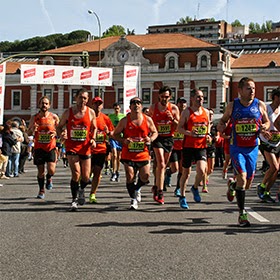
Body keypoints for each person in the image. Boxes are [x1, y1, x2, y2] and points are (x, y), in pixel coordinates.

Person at [217, 77, 270, 227]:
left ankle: (233, 186)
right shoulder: (233, 105)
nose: (252, 91)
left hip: (252, 147)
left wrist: (264, 127)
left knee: (247, 183)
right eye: (248, 88)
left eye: (253, 88)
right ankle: (242, 214)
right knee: (242, 176)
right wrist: (221, 126)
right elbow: (223, 120)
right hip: (237, 147)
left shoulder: (259, 105)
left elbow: (266, 121)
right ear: (240, 90)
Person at [113, 97, 158, 209]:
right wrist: (124, 140)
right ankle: (133, 199)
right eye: (133, 103)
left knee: (145, 177)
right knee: (130, 176)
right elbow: (115, 134)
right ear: (130, 107)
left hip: (143, 154)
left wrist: (150, 139)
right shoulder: (124, 121)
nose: (136, 105)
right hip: (128, 154)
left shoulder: (147, 120)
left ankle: (137, 188)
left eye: (138, 103)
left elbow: (155, 132)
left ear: (141, 106)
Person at [57, 88, 97, 211]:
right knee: (76, 173)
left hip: (85, 147)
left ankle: (81, 189)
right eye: (80, 97)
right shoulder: (68, 112)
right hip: (72, 146)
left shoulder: (90, 112)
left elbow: (94, 128)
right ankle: (74, 200)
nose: (82, 100)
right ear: (76, 98)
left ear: (87, 99)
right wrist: (62, 134)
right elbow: (59, 127)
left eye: (85, 98)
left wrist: (93, 138)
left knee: (85, 177)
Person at [177, 89, 212, 209]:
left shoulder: (206, 112)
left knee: (202, 171)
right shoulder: (187, 112)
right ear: (192, 98)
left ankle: (195, 187)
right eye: (198, 97)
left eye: (202, 97)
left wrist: (208, 136)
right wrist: (189, 133)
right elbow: (179, 128)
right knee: (186, 173)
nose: (201, 99)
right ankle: (182, 196)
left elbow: (207, 128)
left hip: (201, 146)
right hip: (188, 146)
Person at [149, 85, 180, 204]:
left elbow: (178, 126)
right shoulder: (153, 108)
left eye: (166, 97)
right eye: (162, 97)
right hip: (158, 138)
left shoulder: (174, 109)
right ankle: (160, 192)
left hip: (169, 138)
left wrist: (172, 119)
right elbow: (149, 123)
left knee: (164, 165)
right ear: (158, 96)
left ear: (170, 97)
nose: (164, 99)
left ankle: (157, 185)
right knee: (161, 164)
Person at [27, 96, 59, 199]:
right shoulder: (34, 118)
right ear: (39, 104)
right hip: (39, 148)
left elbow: (60, 130)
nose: (44, 105)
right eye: (42, 103)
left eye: (46, 103)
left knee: (51, 170)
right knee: (40, 171)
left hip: (51, 147)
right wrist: (32, 129)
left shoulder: (54, 117)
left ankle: (49, 178)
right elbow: (29, 133)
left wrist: (55, 133)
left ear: (49, 105)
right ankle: (41, 190)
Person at [88, 96, 114, 204]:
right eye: (96, 104)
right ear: (92, 105)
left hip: (101, 150)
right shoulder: (87, 117)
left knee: (97, 172)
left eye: (100, 104)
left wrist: (108, 132)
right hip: (88, 149)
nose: (98, 106)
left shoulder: (106, 118)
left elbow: (113, 133)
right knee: (87, 173)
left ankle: (92, 194)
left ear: (102, 106)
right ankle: (81, 187)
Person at [258, 87, 280, 203]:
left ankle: (266, 191)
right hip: (266, 142)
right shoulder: (267, 109)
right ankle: (261, 186)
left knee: (276, 171)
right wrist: (263, 131)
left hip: (277, 142)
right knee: (274, 167)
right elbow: (259, 123)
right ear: (275, 97)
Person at [164, 97, 188, 197]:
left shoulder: (188, 115)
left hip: (184, 146)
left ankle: (178, 188)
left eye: (184, 103)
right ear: (177, 105)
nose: (182, 105)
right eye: (180, 103)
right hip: (174, 145)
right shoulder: (173, 114)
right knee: (175, 168)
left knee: (182, 170)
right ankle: (167, 174)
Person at [108, 102, 125, 182]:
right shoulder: (110, 117)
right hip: (113, 137)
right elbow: (108, 126)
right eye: (115, 109)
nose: (116, 110)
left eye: (118, 109)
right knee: (114, 155)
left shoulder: (123, 116)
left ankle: (117, 171)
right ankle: (113, 172)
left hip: (120, 137)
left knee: (119, 157)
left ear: (120, 109)